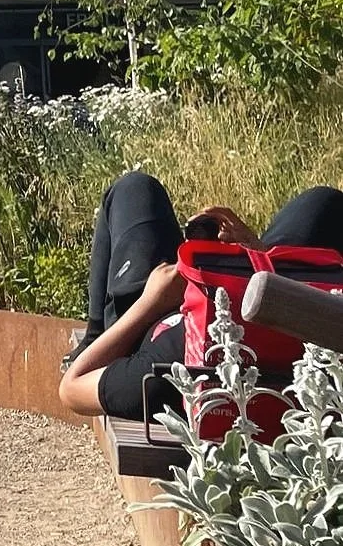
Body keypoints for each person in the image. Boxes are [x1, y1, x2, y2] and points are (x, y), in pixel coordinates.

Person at [59, 171, 343, 420]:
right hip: (282, 307)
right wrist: (257, 256)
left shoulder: (167, 367)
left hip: (144, 319)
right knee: (325, 204)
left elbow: (71, 389)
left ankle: (94, 336)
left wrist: (151, 302)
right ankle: (261, 269)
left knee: (134, 187)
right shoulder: (309, 325)